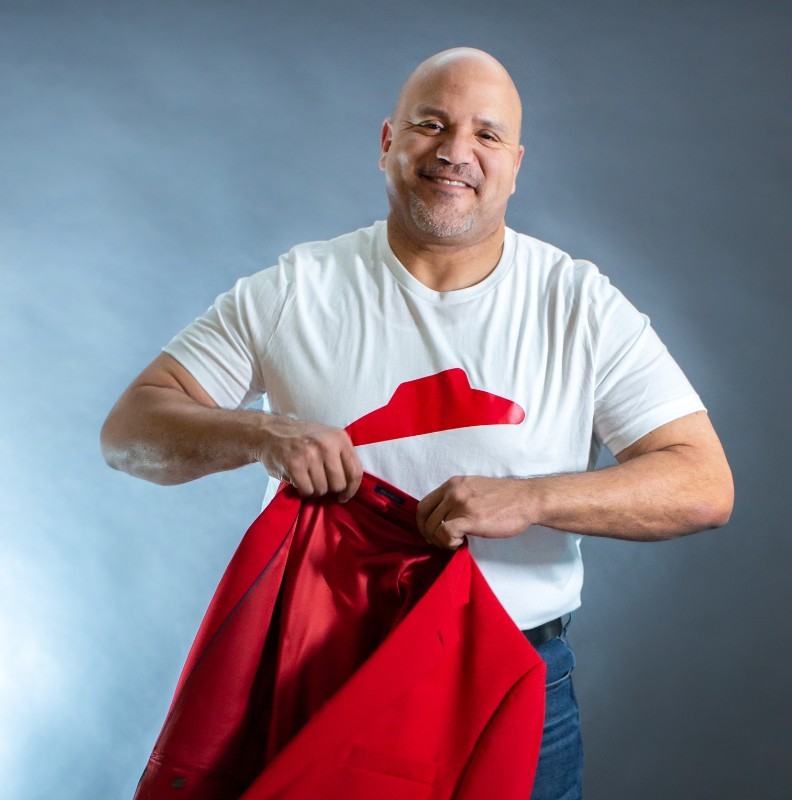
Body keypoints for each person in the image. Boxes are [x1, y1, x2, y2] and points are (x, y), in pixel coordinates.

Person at [101, 47, 734, 800]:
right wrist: (260, 434)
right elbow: (130, 430)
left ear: (516, 162)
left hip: (511, 684)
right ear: (387, 142)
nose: (454, 152)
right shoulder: (295, 288)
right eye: (430, 124)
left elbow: (702, 484)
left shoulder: (579, 303)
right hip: (323, 675)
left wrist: (531, 499)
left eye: (486, 135)